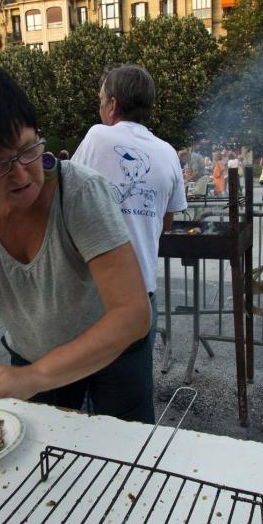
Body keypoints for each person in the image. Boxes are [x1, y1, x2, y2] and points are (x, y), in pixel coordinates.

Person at [0, 64, 151, 424]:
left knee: (126, 449)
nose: (21, 175)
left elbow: (132, 313)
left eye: (27, 149)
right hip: (32, 353)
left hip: (114, 350)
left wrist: (34, 376)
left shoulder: (79, 190)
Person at [72, 63, 187, 381]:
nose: (99, 109)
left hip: (94, 294)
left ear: (113, 104)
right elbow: (166, 222)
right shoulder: (168, 153)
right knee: (131, 395)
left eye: (101, 101)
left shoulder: (98, 136)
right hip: (141, 293)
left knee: (84, 391)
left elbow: (67, 198)